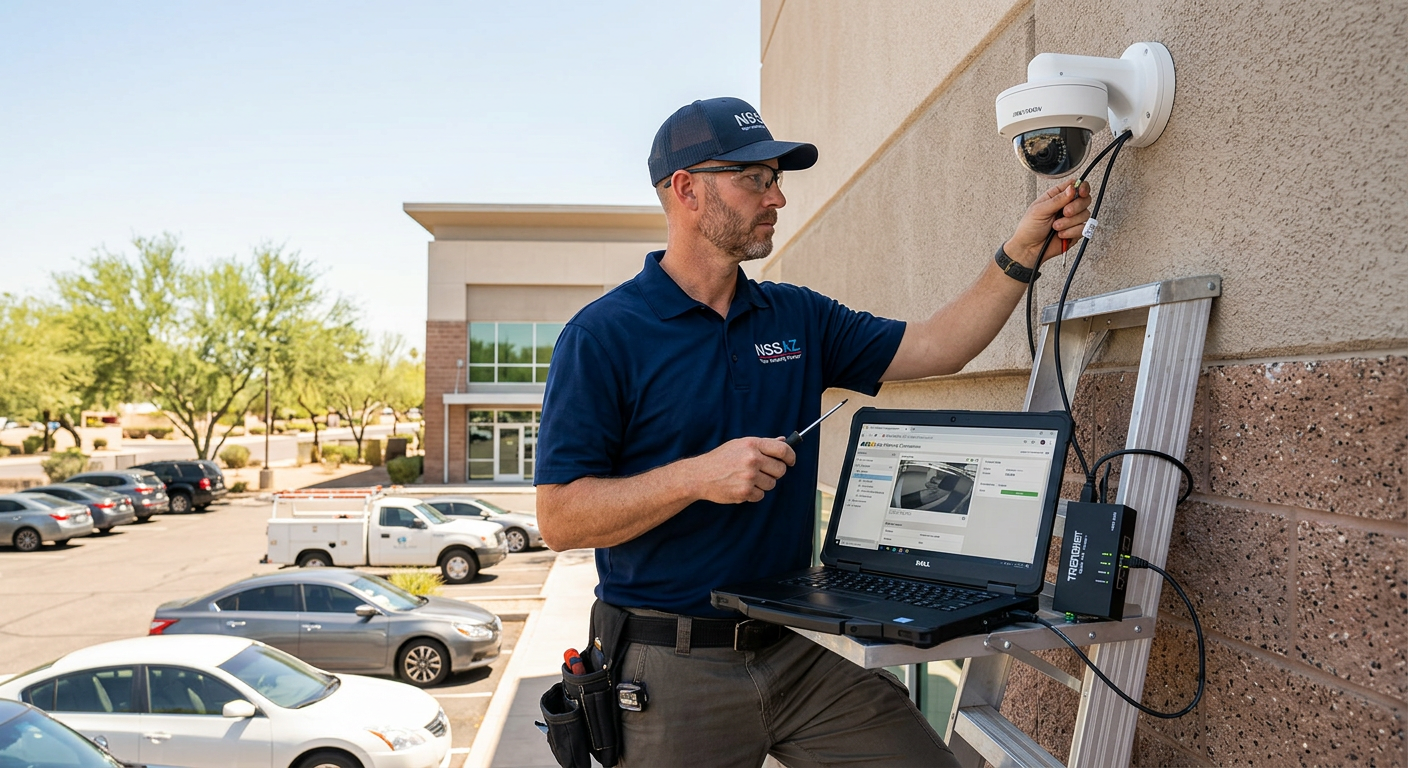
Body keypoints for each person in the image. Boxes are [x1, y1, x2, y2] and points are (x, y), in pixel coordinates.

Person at [535, 97, 1091, 767]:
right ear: (685, 189)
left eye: (776, 178)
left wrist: (1023, 249)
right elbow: (561, 518)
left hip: (800, 650)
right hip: (670, 670)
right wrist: (698, 476)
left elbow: (940, 346)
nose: (778, 198)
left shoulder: (796, 317)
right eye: (755, 180)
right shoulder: (602, 337)